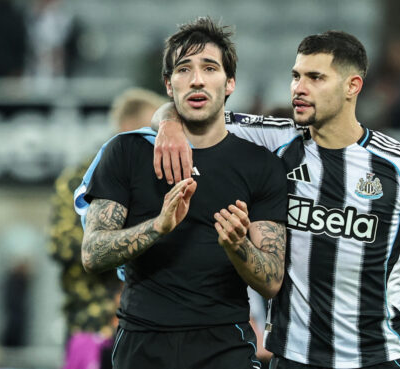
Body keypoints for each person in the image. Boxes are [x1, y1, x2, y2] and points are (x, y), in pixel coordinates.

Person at [154, 31, 400, 369]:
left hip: (379, 358)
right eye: (296, 76)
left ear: (352, 86)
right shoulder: (274, 140)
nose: (298, 88)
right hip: (294, 358)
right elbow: (189, 112)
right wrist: (169, 125)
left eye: (315, 77)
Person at [76, 17, 288, 369]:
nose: (197, 79)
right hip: (141, 344)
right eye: (184, 69)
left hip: (224, 345)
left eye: (210, 67)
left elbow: (272, 281)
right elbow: (93, 253)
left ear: (230, 82)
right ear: (168, 84)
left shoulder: (260, 165)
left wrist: (239, 246)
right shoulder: (126, 152)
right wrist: (157, 226)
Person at [48, 87, 166, 369]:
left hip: (148, 318)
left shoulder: (157, 176)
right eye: (152, 128)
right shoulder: (80, 177)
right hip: (93, 320)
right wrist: (126, 239)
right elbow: (61, 244)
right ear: (128, 128)